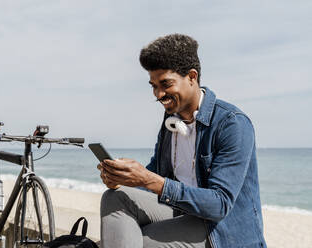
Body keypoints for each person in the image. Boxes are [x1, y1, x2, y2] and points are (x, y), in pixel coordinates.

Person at [97, 34, 267, 248]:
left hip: (220, 228)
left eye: (165, 84)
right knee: (114, 197)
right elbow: (158, 172)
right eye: (153, 85)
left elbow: (220, 204)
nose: (159, 94)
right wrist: (125, 178)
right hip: (181, 209)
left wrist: (148, 179)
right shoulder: (171, 119)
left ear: (192, 77)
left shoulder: (232, 124)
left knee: (138, 241)